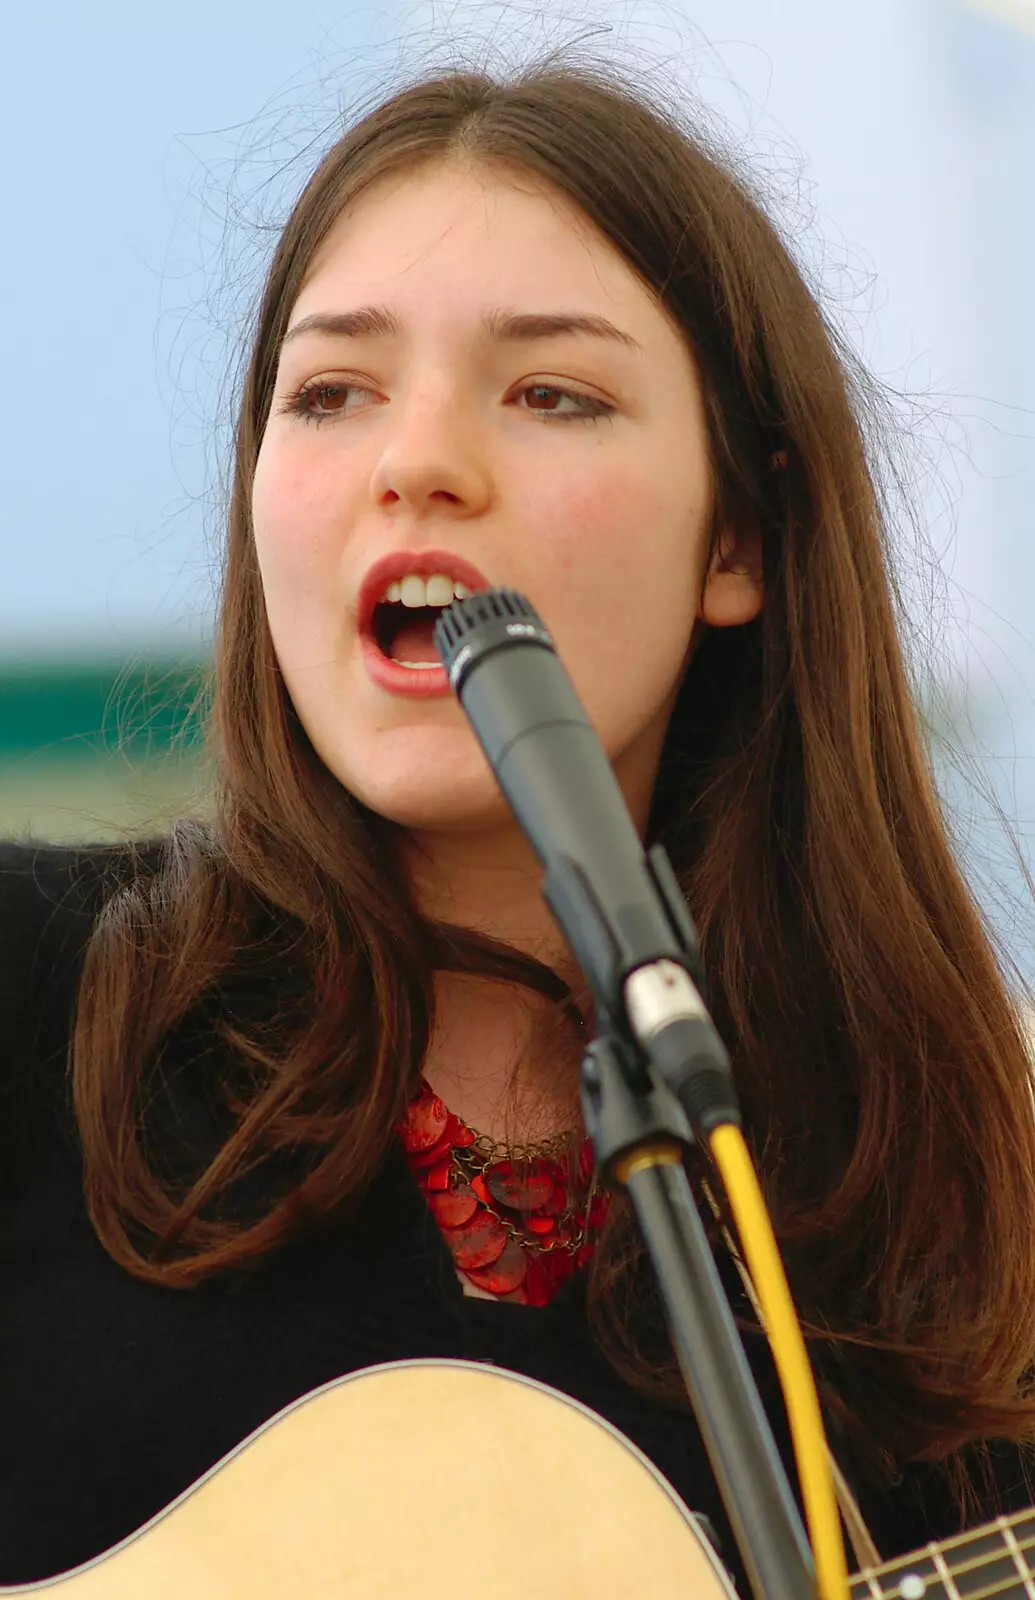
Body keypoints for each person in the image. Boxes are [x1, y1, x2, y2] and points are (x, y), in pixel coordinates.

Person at [2, 56, 1034, 1591]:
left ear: (736, 538)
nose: (415, 460)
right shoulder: (32, 995)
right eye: (331, 390)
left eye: (552, 391)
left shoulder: (937, 1189)